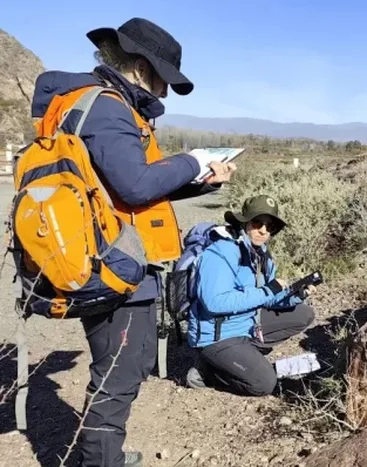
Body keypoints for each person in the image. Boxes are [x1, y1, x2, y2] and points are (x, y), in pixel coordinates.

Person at [29, 18, 237, 467]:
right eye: (164, 81)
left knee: (128, 363)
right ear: (143, 68)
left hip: (110, 253)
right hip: (113, 261)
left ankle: (102, 452)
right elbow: (137, 186)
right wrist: (193, 159)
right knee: (119, 372)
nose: (163, 93)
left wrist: (202, 182)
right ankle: (100, 460)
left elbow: (127, 186)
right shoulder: (107, 108)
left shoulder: (101, 105)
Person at [185, 194, 316, 396]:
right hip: (217, 337)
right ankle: (208, 371)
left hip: (247, 324)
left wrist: (295, 295)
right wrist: (268, 290)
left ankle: (243, 359)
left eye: (269, 226)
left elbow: (267, 298)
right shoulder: (222, 251)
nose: (263, 230)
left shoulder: (261, 255)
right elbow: (214, 302)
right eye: (257, 223)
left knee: (303, 313)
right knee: (264, 384)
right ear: (244, 222)